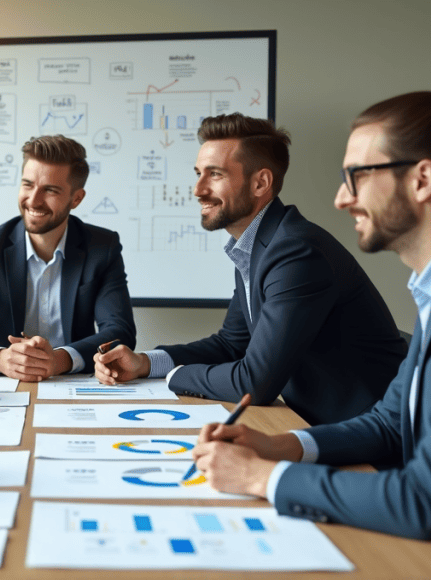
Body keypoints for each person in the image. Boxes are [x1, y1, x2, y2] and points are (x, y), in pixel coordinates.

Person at [192, 92, 431, 577]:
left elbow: (424, 499)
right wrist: (280, 445)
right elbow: (389, 423)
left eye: (357, 176)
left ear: (422, 180)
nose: (341, 198)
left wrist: (263, 477)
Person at [95, 113, 406, 426]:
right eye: (198, 173)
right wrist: (145, 363)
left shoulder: (296, 252)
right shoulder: (259, 247)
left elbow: (254, 383)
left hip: (373, 440)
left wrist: (176, 375)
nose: (198, 189)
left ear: (261, 183)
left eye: (214, 175)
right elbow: (231, 345)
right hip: (321, 426)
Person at [0, 135, 136, 382]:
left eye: (50, 190)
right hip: (2, 387)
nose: (33, 200)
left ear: (76, 198)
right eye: (28, 185)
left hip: (73, 384)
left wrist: (60, 360)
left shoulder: (102, 247)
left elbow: (120, 332)